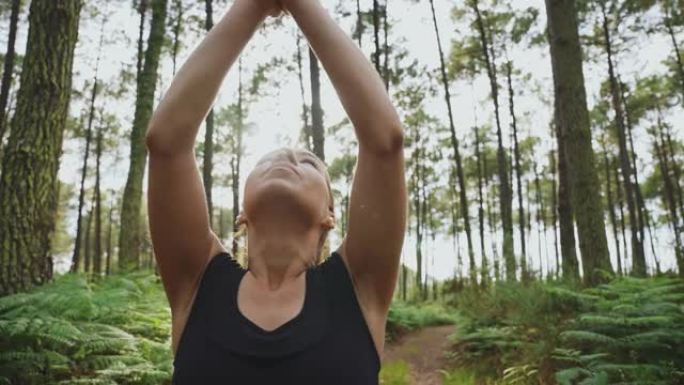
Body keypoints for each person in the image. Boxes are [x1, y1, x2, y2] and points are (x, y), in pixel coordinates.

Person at [144, 0, 406, 383]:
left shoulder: (357, 286)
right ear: (242, 214)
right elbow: (165, 141)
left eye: (309, 163)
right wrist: (251, 7)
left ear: (329, 216)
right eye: (266, 161)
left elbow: (385, 141)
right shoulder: (198, 282)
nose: (288, 155)